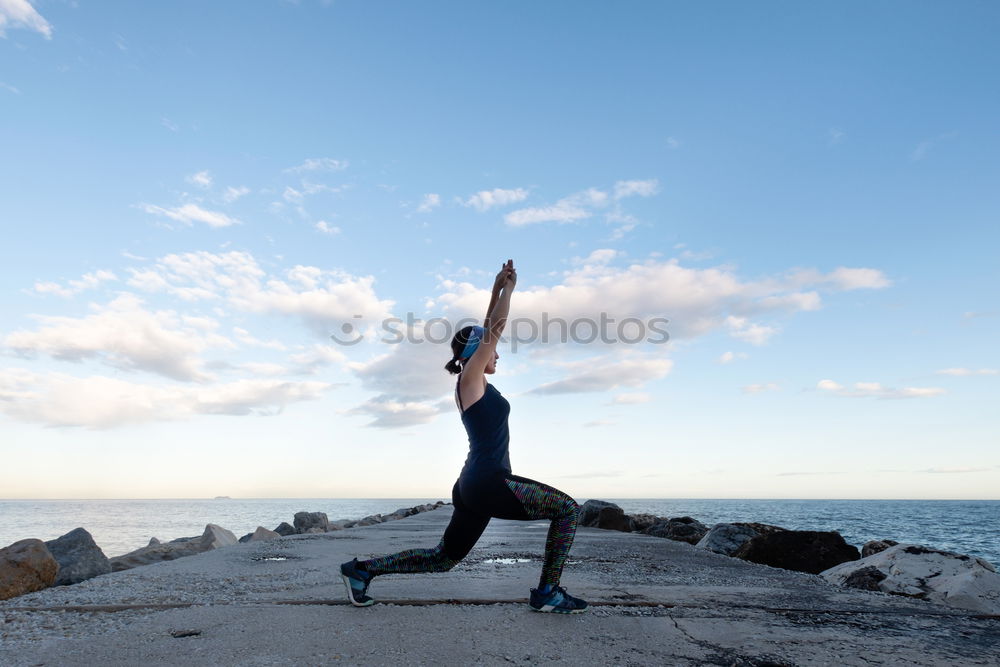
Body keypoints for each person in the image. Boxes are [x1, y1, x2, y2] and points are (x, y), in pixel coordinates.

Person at [340, 259, 588, 614]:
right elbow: (495, 329)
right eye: (490, 349)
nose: (497, 353)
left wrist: (495, 288)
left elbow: (488, 328)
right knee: (567, 509)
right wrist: (511, 291)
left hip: (473, 485)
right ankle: (548, 591)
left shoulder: (474, 381)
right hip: (488, 481)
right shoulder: (470, 379)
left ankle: (360, 571)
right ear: (475, 353)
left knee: (444, 558)